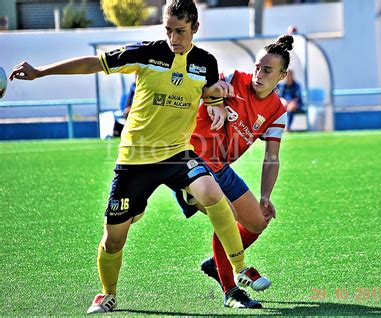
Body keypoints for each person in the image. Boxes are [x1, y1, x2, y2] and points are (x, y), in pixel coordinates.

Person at [9, 0, 269, 313]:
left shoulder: (205, 62)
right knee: (113, 240)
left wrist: (216, 103)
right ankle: (107, 293)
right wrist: (40, 73)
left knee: (216, 197)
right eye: (169, 30)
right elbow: (94, 63)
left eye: (181, 31)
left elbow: (208, 91)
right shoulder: (147, 53)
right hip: (135, 160)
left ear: (195, 29)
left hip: (177, 155)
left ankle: (239, 268)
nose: (174, 38)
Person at [175, 35, 292, 308]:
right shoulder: (232, 80)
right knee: (226, 215)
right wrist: (214, 99)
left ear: (282, 75)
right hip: (193, 162)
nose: (258, 75)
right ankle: (231, 290)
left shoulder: (277, 111)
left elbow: (272, 158)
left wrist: (265, 196)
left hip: (221, 168)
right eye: (257, 67)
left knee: (258, 221)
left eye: (267, 70)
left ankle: (219, 264)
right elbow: (203, 90)